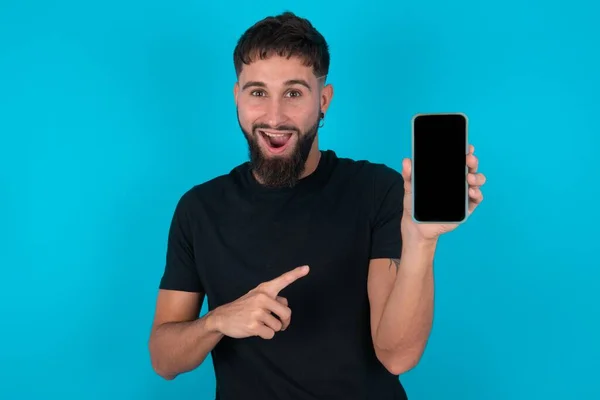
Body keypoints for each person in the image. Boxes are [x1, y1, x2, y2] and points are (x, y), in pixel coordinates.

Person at [148, 11, 486, 400]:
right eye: (258, 92)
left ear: (323, 100)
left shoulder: (377, 190)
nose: (274, 116)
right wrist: (217, 321)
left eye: (294, 93)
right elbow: (163, 360)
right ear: (237, 97)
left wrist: (421, 243)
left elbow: (397, 356)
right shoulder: (198, 209)